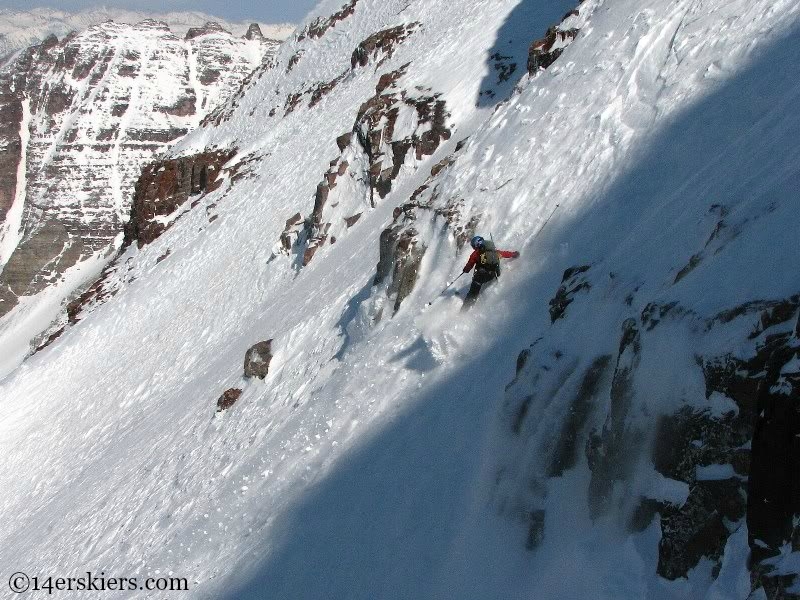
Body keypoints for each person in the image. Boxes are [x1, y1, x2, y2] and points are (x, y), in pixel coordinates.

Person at [461, 235, 519, 310]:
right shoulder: (494, 251)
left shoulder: (475, 254)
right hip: (493, 275)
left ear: (475, 245)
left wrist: (465, 270)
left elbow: (469, 266)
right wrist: (514, 254)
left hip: (481, 277)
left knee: (473, 291)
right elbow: (505, 254)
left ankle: (465, 309)